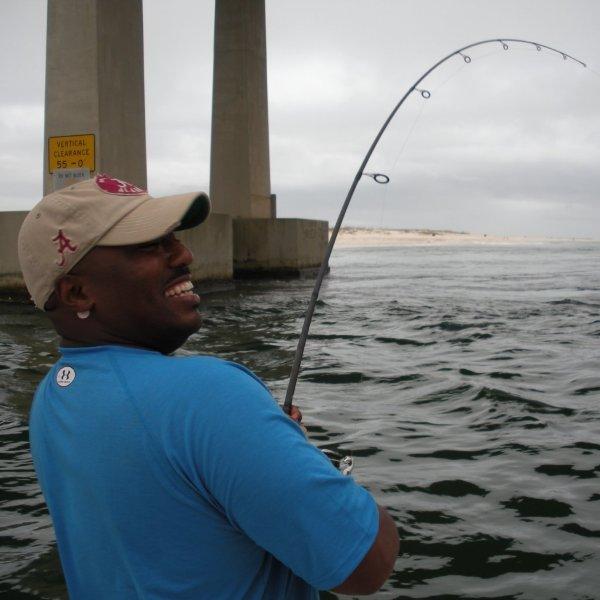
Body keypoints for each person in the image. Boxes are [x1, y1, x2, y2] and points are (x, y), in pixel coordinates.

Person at [18, 174, 399, 599]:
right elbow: (366, 564)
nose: (184, 254)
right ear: (77, 292)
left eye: (173, 238)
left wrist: (261, 442)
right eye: (150, 245)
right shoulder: (208, 394)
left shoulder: (53, 395)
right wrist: (300, 456)